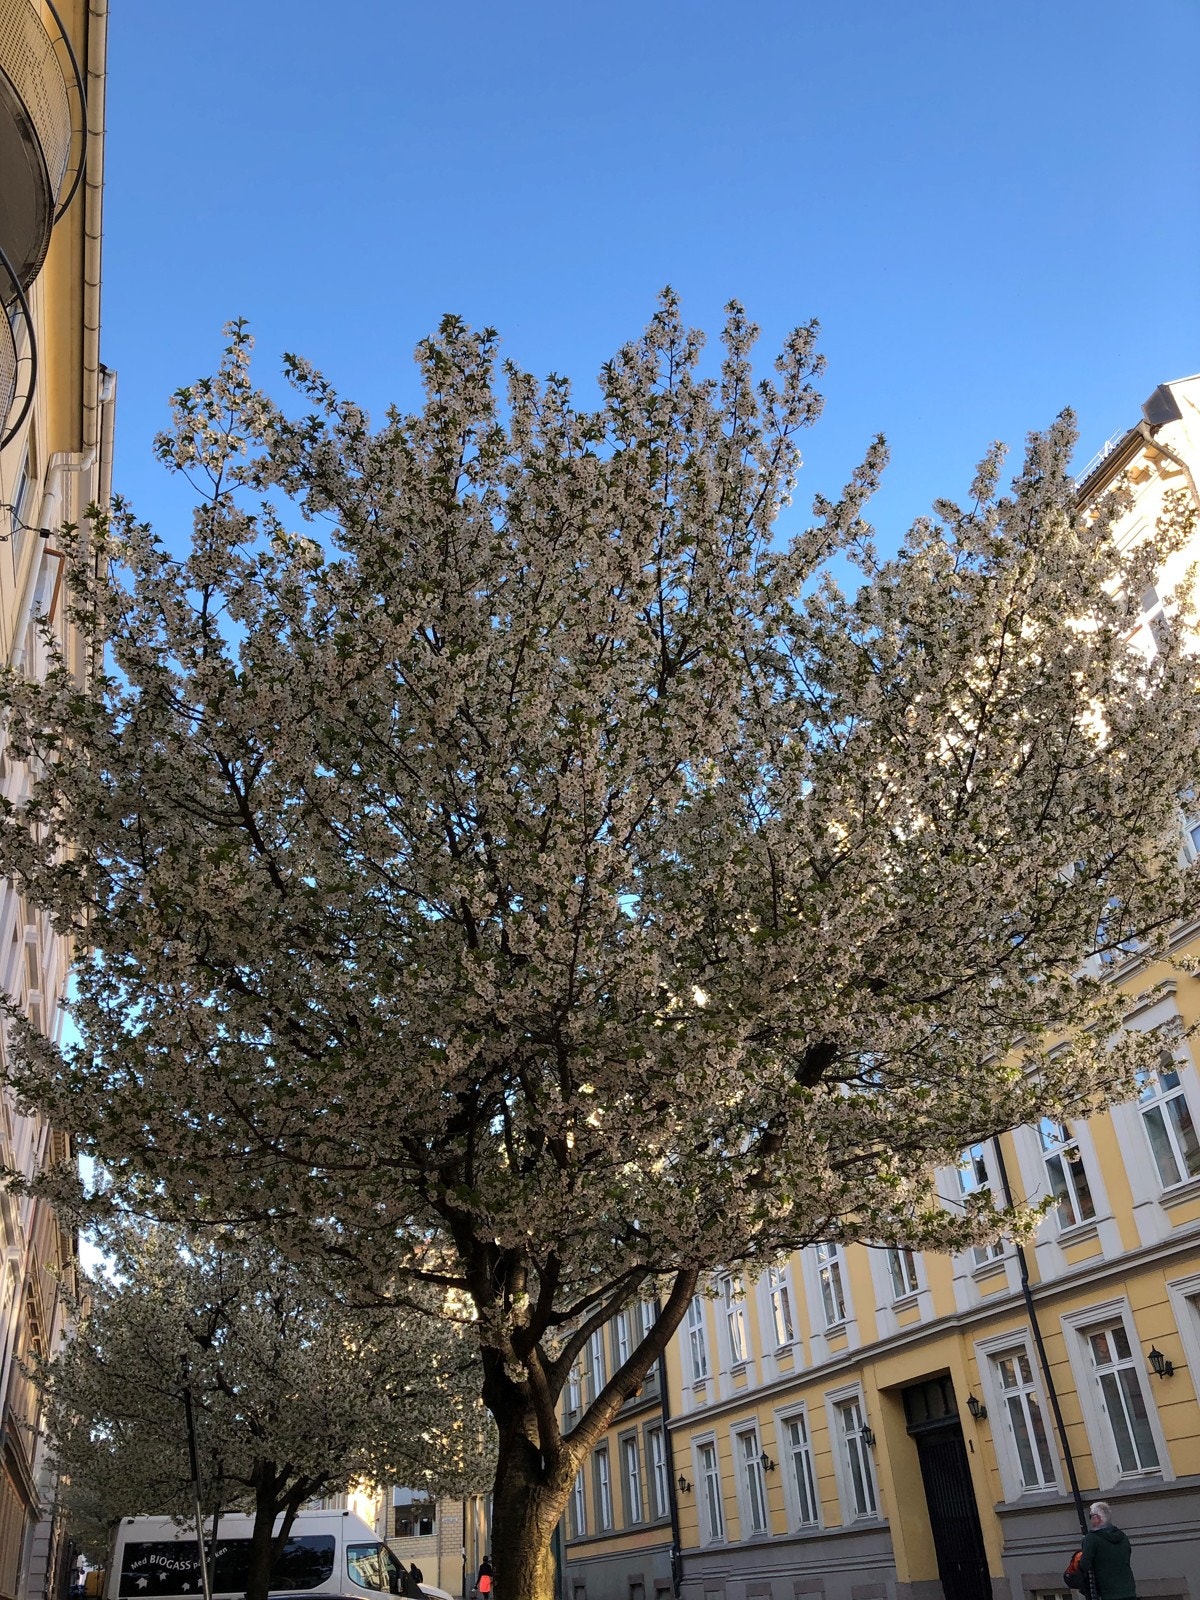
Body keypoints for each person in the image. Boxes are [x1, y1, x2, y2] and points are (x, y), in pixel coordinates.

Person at [1080, 1502, 1136, 1600]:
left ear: (1097, 1518)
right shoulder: (1122, 1536)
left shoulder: (1092, 1538)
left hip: (1107, 1592)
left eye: (1091, 1516)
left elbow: (1084, 1565)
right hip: (1129, 1589)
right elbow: (1127, 1557)